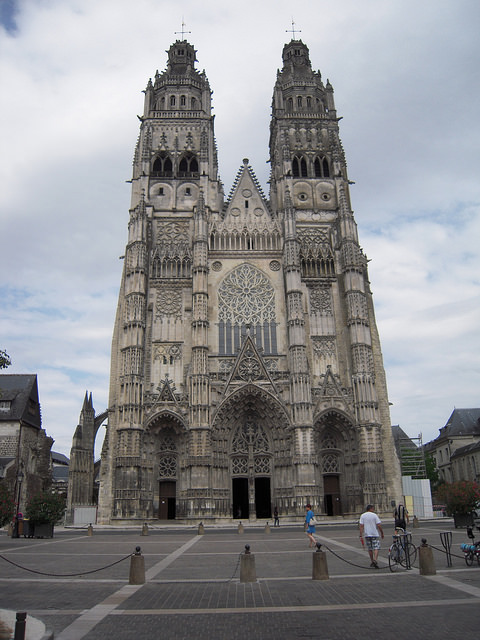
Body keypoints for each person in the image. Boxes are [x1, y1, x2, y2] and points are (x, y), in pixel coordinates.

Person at [359, 504, 384, 568]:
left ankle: (372, 560)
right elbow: (378, 525)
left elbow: (361, 526)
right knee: (376, 547)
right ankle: (375, 559)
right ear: (371, 509)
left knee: (370, 548)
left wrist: (361, 534)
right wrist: (382, 533)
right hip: (374, 533)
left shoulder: (363, 515)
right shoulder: (374, 515)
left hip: (367, 534)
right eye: (373, 508)